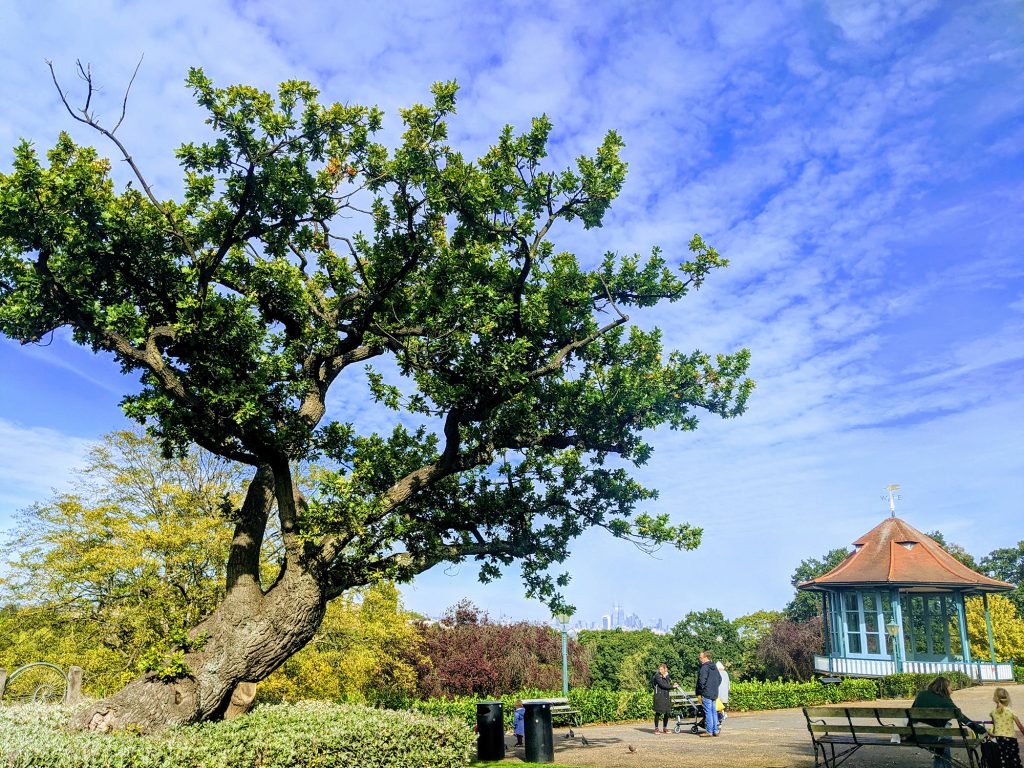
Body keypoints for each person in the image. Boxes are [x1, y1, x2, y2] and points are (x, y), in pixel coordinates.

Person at [910, 676, 986, 768]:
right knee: (946, 727)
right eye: (950, 687)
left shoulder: (921, 694)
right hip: (934, 737)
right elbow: (962, 718)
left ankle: (942, 762)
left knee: (942, 730)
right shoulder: (945, 700)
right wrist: (981, 730)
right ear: (944, 687)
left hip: (916, 735)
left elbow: (912, 712)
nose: (952, 690)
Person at [988, 687, 1024, 768]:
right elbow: (1021, 727)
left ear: (995, 699)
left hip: (999, 739)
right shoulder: (1011, 711)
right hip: (1011, 739)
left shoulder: (993, 713)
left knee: (1003, 760)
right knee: (1014, 759)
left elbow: (994, 726)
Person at [695, 650, 722, 737]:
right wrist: (714, 687)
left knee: (708, 712)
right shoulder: (714, 667)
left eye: (700, 657)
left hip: (706, 693)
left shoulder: (704, 667)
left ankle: (709, 731)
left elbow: (701, 681)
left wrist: (702, 690)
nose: (700, 659)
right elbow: (719, 679)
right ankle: (716, 730)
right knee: (713, 711)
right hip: (714, 693)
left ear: (705, 657)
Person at [651, 663, 679, 733]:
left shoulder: (666, 675)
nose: (660, 670)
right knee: (658, 712)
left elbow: (668, 683)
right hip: (659, 696)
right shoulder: (657, 676)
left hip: (666, 696)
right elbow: (663, 685)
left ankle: (665, 728)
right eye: (659, 669)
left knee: (667, 712)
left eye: (661, 669)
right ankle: (656, 728)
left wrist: (667, 677)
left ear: (665, 669)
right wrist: (673, 687)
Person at [716, 660, 730, 724]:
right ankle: (724, 714)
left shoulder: (717, 673)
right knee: (724, 703)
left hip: (719, 692)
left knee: (719, 705)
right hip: (725, 692)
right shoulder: (726, 673)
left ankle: (720, 715)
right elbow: (728, 684)